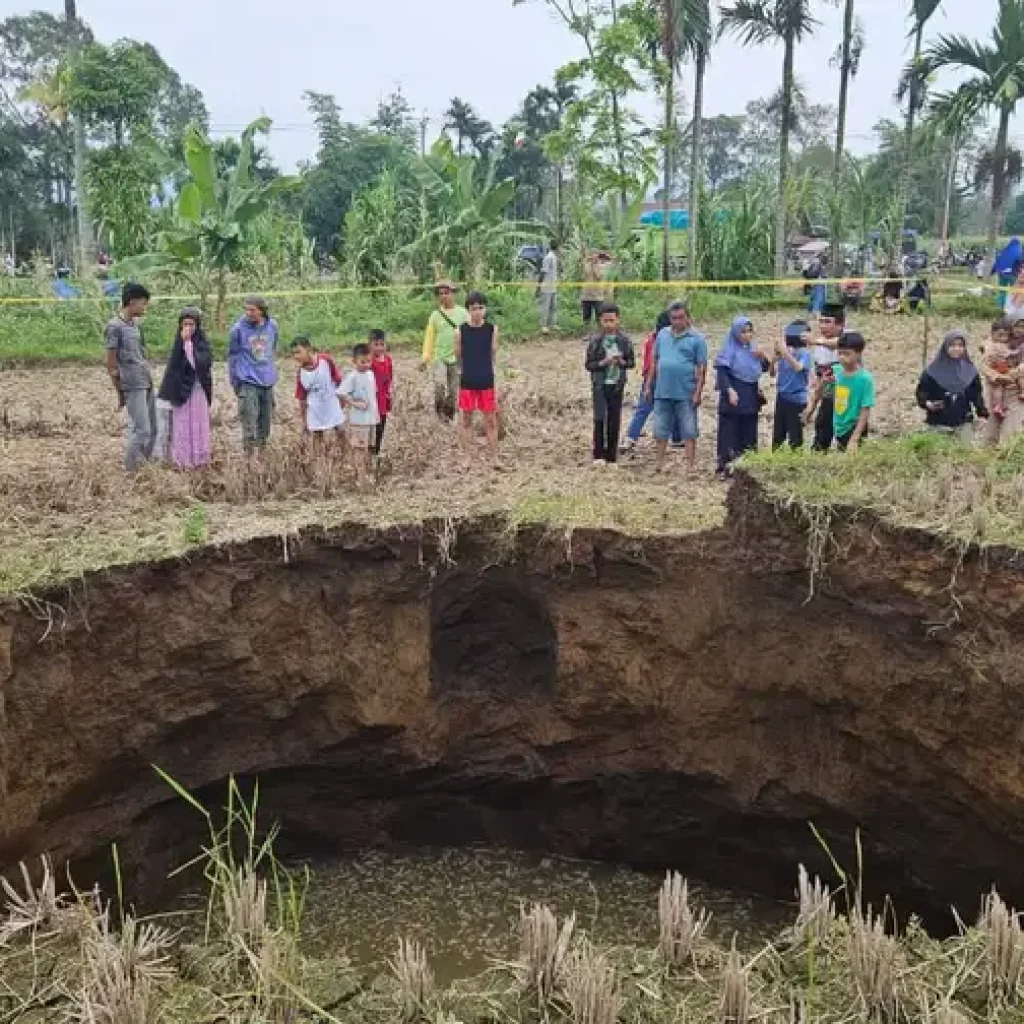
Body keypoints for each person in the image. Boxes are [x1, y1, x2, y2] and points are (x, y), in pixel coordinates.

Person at [646, 300, 707, 473]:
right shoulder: (662, 335)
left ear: (688, 317)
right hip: (663, 390)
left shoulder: (697, 339)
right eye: (673, 318)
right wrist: (649, 385)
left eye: (681, 317)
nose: (677, 321)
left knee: (689, 430)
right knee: (660, 429)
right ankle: (658, 464)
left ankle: (690, 466)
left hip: (685, 391)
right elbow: (655, 361)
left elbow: (702, 368)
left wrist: (698, 392)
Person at [105, 282, 155, 473]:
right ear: (132, 302)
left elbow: (141, 355)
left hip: (145, 380)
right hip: (132, 384)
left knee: (152, 429)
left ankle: (144, 466)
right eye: (143, 303)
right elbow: (110, 363)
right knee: (142, 430)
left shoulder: (135, 326)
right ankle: (131, 471)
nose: (145, 307)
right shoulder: (114, 327)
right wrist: (119, 390)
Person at [714, 316, 770, 477]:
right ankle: (726, 466)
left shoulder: (752, 349)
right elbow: (722, 373)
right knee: (730, 431)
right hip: (734, 394)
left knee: (749, 429)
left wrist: (762, 357)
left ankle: (746, 467)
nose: (747, 335)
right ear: (735, 332)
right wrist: (730, 391)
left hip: (750, 394)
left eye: (749, 331)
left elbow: (764, 368)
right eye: (743, 332)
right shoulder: (728, 350)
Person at [158, 307, 213, 469]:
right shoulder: (177, 343)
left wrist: (188, 343)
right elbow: (173, 368)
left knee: (198, 424)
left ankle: (199, 459)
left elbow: (200, 364)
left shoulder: (201, 342)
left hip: (198, 390)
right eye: (185, 324)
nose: (188, 327)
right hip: (181, 392)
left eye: (191, 324)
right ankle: (182, 460)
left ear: (197, 325)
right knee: (182, 425)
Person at [621, 310, 682, 454]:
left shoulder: (651, 340)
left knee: (643, 409)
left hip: (651, 378)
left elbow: (648, 363)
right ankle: (677, 437)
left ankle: (631, 437)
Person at [228, 295, 278, 465]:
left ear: (261, 310)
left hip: (267, 382)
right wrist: (235, 382)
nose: (248, 313)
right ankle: (249, 461)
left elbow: (272, 349)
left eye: (252, 310)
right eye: (246, 309)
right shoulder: (237, 330)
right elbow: (233, 357)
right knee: (249, 425)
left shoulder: (272, 326)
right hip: (248, 382)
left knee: (265, 424)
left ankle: (262, 460)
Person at [806, 331, 875, 452]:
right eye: (840, 353)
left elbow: (865, 410)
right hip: (838, 423)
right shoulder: (835, 371)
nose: (842, 357)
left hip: (853, 426)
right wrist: (824, 383)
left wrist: (854, 438)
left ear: (858, 354)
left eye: (847, 354)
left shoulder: (865, 379)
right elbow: (819, 392)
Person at [584, 303, 635, 465]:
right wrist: (603, 362)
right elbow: (589, 365)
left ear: (617, 321)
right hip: (599, 384)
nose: (608, 324)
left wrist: (621, 361)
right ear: (600, 321)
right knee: (599, 418)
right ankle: (598, 453)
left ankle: (611, 455)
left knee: (614, 418)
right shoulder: (595, 341)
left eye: (611, 320)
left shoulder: (624, 340)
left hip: (617, 384)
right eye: (605, 321)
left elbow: (631, 362)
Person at [916, 329, 987, 442]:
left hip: (963, 422)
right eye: (952, 345)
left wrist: (982, 414)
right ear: (945, 347)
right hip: (938, 423)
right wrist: (927, 404)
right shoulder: (932, 372)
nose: (956, 349)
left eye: (960, 345)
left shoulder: (970, 371)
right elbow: (922, 392)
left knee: (965, 454)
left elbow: (976, 394)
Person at [455, 291, 501, 463]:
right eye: (474, 308)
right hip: (467, 381)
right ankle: (467, 457)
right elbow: (458, 355)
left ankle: (495, 457)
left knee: (491, 421)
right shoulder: (460, 331)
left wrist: (491, 372)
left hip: (486, 381)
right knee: (466, 420)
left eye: (481, 308)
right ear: (468, 310)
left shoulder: (492, 330)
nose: (478, 312)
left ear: (485, 309)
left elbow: (492, 353)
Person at [421, 280, 467, 420]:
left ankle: (449, 414)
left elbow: (470, 334)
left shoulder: (463, 314)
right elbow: (429, 338)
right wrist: (425, 358)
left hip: (457, 358)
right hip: (439, 357)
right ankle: (439, 413)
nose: (444, 296)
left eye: (447, 293)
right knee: (439, 386)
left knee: (454, 391)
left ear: (453, 294)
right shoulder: (435, 316)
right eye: (440, 294)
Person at [291, 336, 344, 447]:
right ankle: (318, 460)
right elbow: (302, 398)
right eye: (294, 353)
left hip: (331, 403)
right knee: (317, 436)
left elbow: (338, 379)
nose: (296, 356)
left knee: (340, 430)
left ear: (309, 350)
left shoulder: (325, 360)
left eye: (298, 352)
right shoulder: (301, 373)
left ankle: (344, 458)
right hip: (315, 408)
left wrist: (341, 400)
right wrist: (305, 420)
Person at [339, 343, 380, 485]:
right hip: (359, 420)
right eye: (362, 362)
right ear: (354, 361)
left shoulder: (370, 374)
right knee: (359, 449)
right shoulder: (352, 377)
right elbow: (341, 393)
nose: (366, 364)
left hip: (371, 419)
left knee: (368, 448)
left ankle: (366, 475)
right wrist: (355, 403)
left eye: (368, 361)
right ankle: (360, 478)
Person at [772, 320, 814, 450]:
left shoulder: (805, 354)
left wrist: (785, 353)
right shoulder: (787, 352)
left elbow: (798, 368)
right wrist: (774, 358)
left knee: (795, 436)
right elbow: (772, 373)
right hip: (782, 396)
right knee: (778, 433)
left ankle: (795, 461)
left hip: (796, 399)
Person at [811, 304, 846, 451]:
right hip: (828, 397)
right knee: (820, 439)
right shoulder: (819, 348)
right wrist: (811, 407)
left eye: (827, 322)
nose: (822, 326)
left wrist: (817, 341)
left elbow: (841, 343)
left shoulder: (850, 337)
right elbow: (820, 379)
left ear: (841, 324)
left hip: (848, 400)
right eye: (821, 321)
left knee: (847, 442)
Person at [980, 317, 1021, 423]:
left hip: (1014, 394)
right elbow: (985, 366)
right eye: (1017, 326)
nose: (1020, 330)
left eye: (1023, 327)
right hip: (998, 379)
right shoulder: (994, 345)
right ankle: (997, 406)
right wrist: (998, 376)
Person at [369, 329, 394, 456]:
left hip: (383, 399)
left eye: (382, 344)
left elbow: (390, 377)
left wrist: (389, 392)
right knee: (370, 428)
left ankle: (376, 452)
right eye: (376, 344)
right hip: (371, 400)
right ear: (370, 345)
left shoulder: (388, 360)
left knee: (381, 426)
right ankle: (368, 451)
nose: (379, 348)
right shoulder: (368, 362)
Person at [992, 237, 1023, 309]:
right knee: (1015, 291)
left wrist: (993, 271)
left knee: (1002, 291)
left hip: (1001, 274)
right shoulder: (1019, 251)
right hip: (1013, 274)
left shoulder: (1004, 250)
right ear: (1018, 243)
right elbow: (1021, 261)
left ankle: (1000, 307)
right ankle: (1013, 308)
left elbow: (998, 261)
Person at [580, 251, 608, 328]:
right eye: (593, 256)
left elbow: (598, 277)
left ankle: (600, 333)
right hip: (586, 295)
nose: (594, 258)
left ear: (598, 258)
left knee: (599, 316)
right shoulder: (586, 265)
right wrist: (587, 262)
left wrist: (594, 266)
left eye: (596, 257)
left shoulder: (602, 266)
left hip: (597, 296)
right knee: (586, 316)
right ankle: (586, 333)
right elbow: (584, 275)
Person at [539, 243, 559, 334]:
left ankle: (552, 324)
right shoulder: (548, 257)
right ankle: (543, 326)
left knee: (553, 306)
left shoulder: (554, 257)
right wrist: (539, 285)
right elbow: (543, 272)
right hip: (546, 286)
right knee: (545, 307)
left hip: (553, 286)